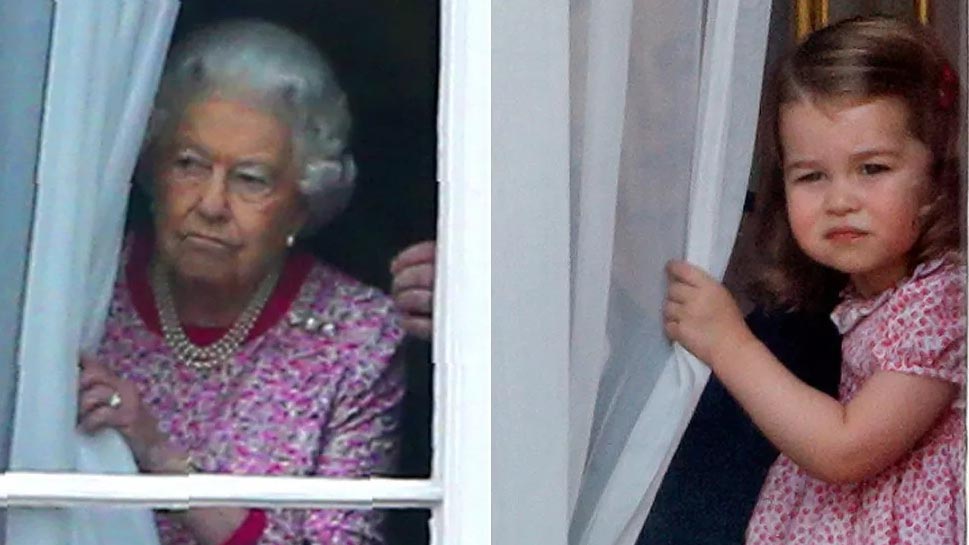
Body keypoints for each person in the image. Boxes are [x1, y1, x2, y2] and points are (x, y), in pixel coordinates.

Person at [76, 20, 406, 545]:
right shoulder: (81, 290)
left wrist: (161, 460)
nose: (211, 204)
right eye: (189, 164)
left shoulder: (355, 337)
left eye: (250, 179)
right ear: (153, 170)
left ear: (304, 203)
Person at [664, 16, 964, 545]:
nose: (839, 200)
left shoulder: (943, 301)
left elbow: (845, 450)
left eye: (872, 169)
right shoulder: (867, 298)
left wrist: (728, 344)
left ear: (935, 177)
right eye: (811, 176)